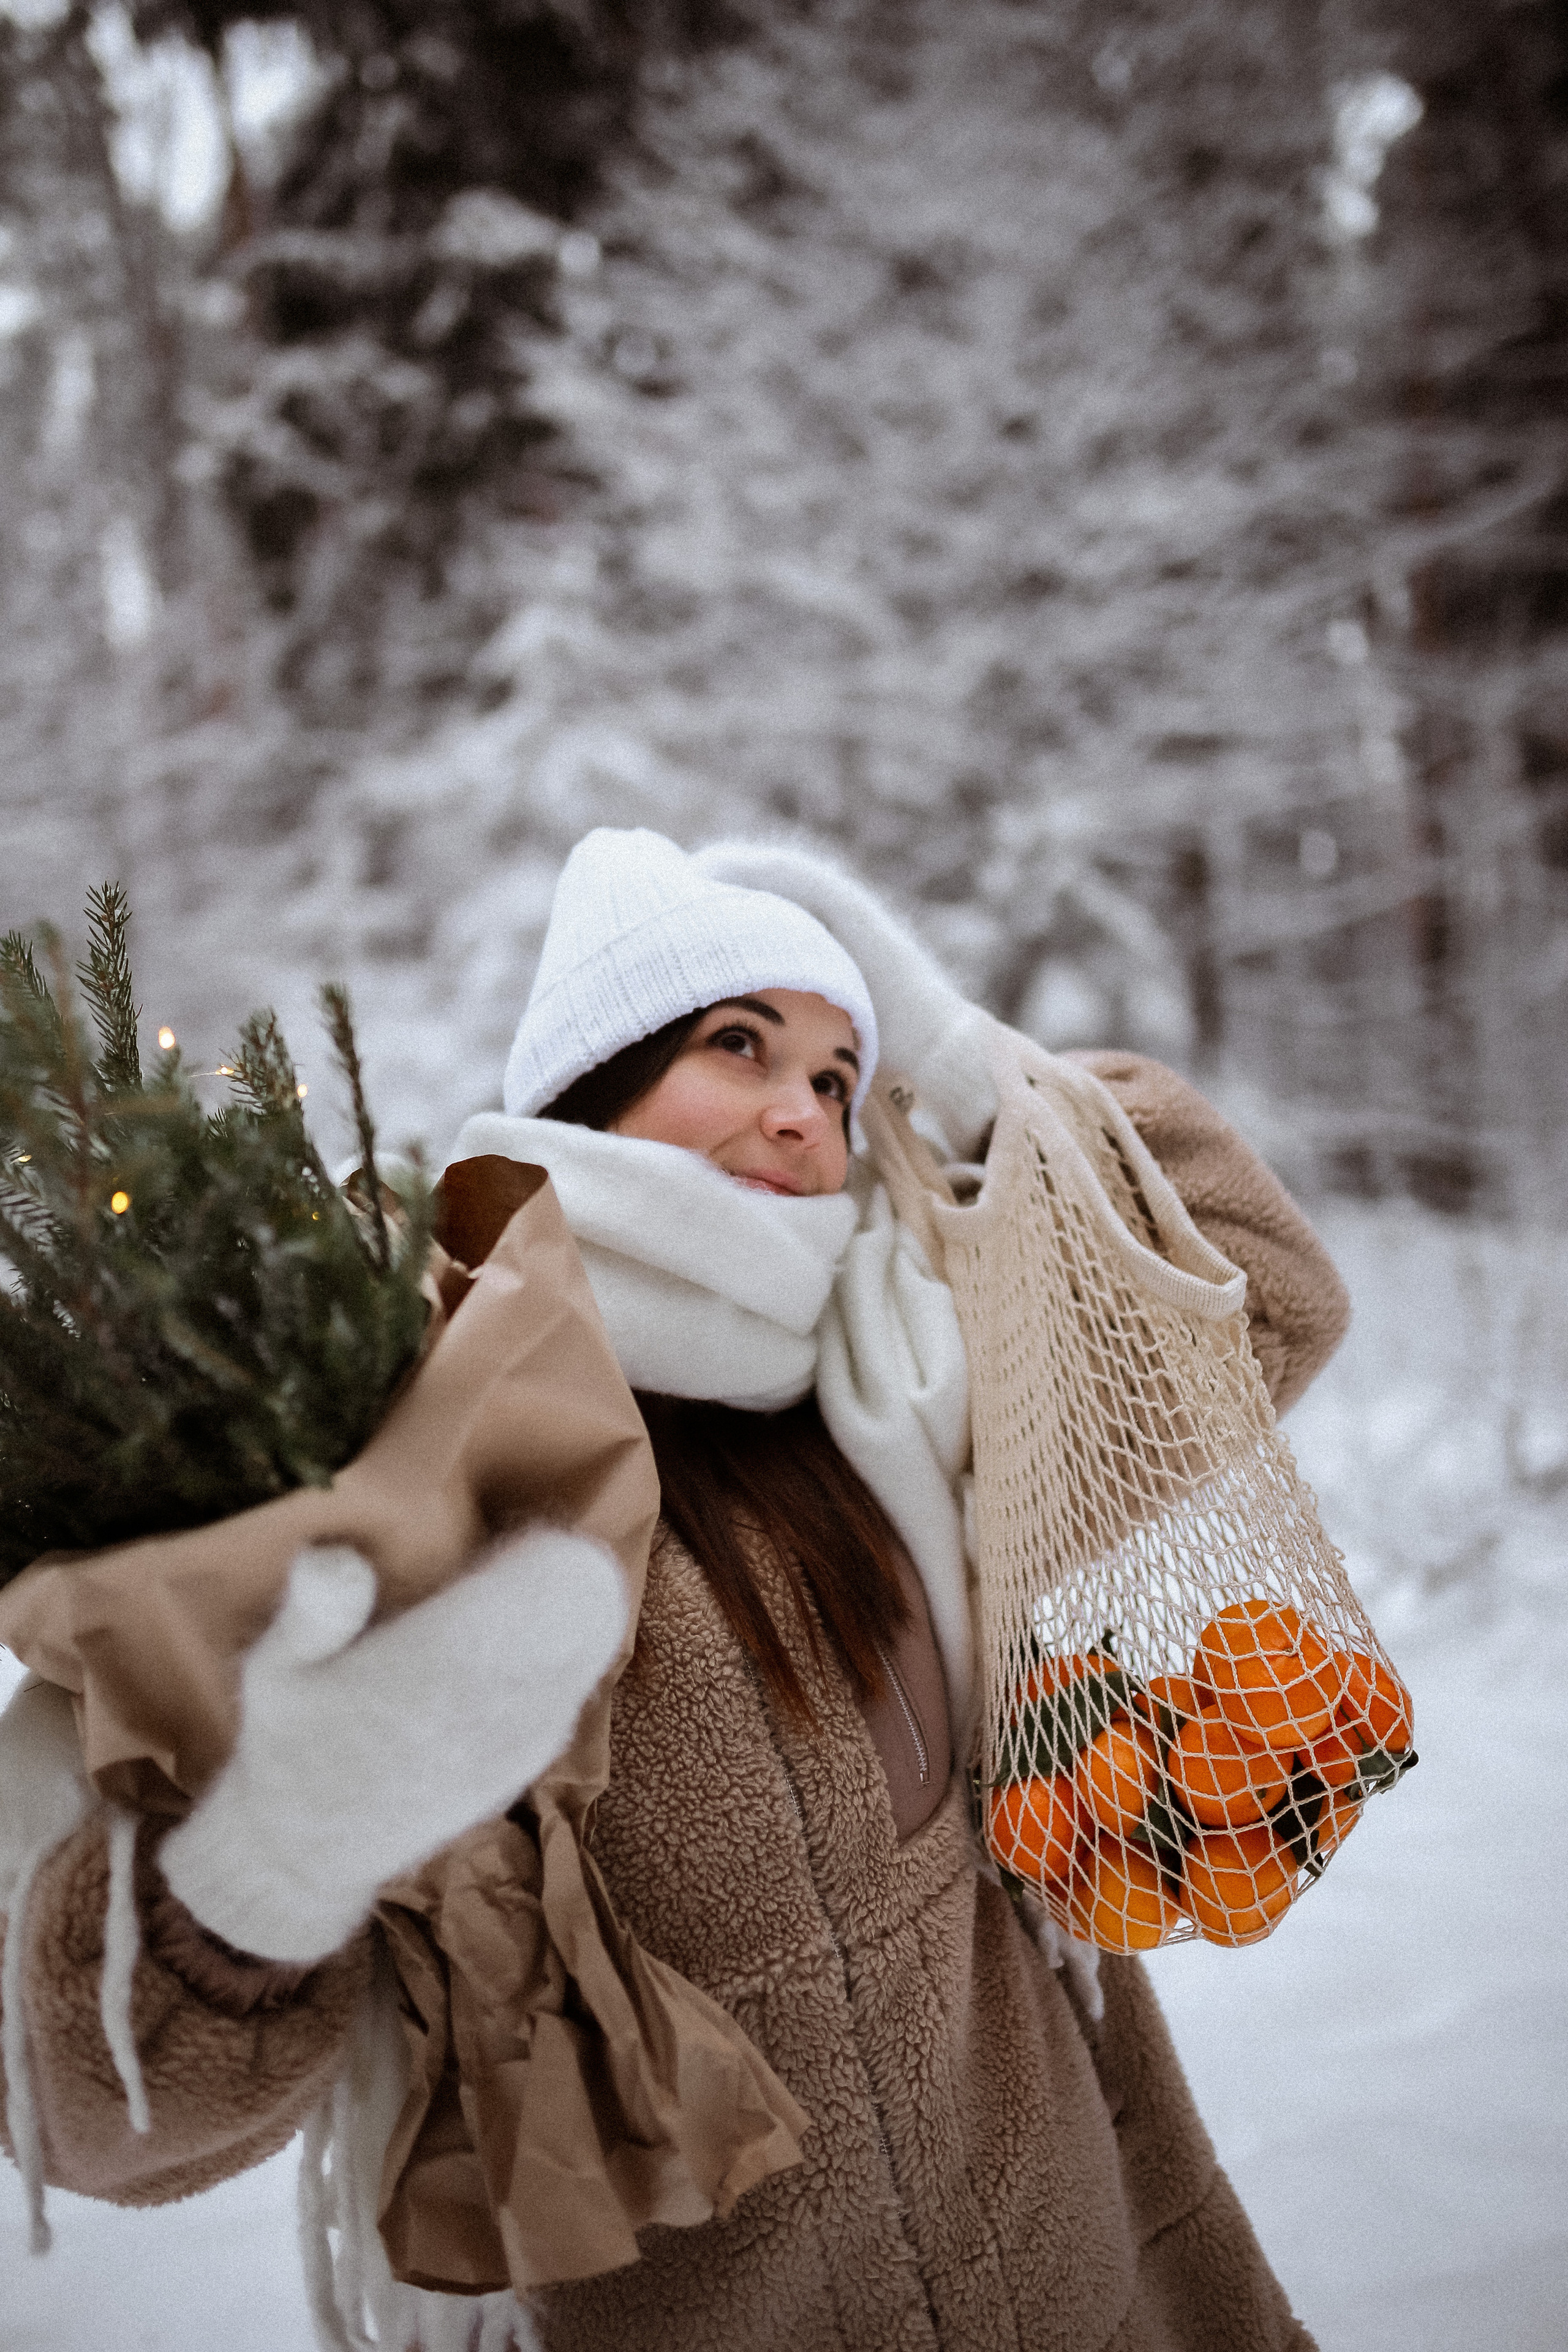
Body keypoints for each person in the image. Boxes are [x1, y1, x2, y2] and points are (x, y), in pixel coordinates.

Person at [0, 827, 1349, 2352]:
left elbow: (1259, 1286)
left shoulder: (897, 1386)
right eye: (739, 1044)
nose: (803, 1113)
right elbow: (103, 2124)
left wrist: (956, 1049)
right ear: (595, 1078)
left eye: (842, 1077)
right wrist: (267, 1868)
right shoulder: (400, 1436)